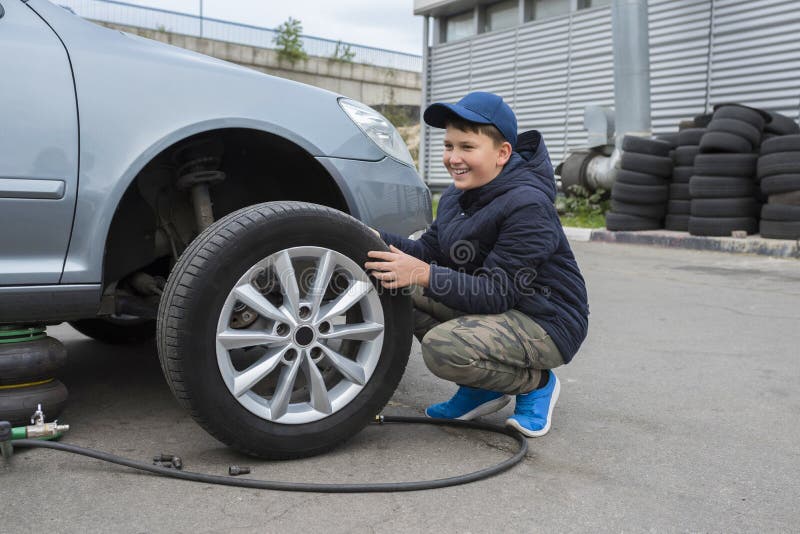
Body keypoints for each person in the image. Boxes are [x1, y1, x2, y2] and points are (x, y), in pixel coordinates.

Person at [364, 91, 588, 437]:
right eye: (449, 146)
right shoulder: (457, 194)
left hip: (545, 320)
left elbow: (496, 294)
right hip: (500, 307)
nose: (453, 158)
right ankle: (481, 386)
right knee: (391, 284)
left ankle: (536, 384)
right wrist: (369, 237)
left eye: (467, 147)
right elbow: (428, 250)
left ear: (502, 154)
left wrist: (423, 274)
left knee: (445, 349)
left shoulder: (528, 205)